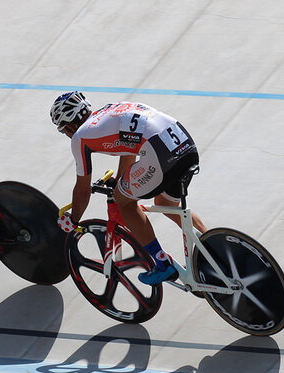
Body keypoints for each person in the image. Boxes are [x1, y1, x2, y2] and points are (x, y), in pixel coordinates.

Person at [51, 91, 206, 285]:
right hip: (184, 145)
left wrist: (73, 220)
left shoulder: (80, 137)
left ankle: (162, 263)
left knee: (122, 201)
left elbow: (82, 190)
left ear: (70, 125)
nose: (66, 134)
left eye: (62, 130)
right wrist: (121, 182)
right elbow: (129, 148)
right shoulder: (111, 109)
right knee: (165, 203)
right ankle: (213, 249)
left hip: (160, 155)